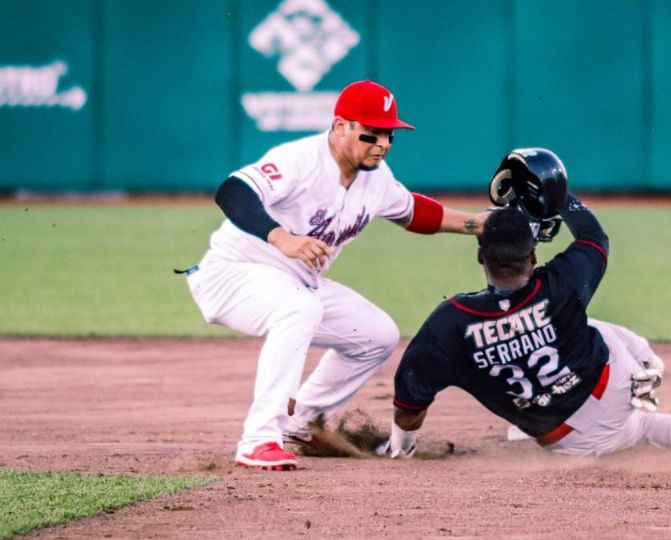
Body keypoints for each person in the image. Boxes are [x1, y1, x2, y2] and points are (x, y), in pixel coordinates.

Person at [377, 148, 671, 459]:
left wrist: (402, 447)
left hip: (568, 443)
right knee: (604, 336)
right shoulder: (560, 284)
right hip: (610, 385)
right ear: (534, 257)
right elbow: (594, 237)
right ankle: (653, 383)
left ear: (480, 256)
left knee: (642, 425)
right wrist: (557, 195)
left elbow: (409, 402)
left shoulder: (449, 324)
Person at [183, 79, 489, 470]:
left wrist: (476, 224)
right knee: (300, 308)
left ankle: (301, 422)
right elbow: (233, 191)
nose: (382, 143)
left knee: (377, 334)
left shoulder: (375, 176)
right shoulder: (301, 160)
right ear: (341, 125)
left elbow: (412, 211)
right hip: (234, 274)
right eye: (371, 133)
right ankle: (258, 439)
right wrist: (282, 237)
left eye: (389, 134)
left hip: (295, 282)